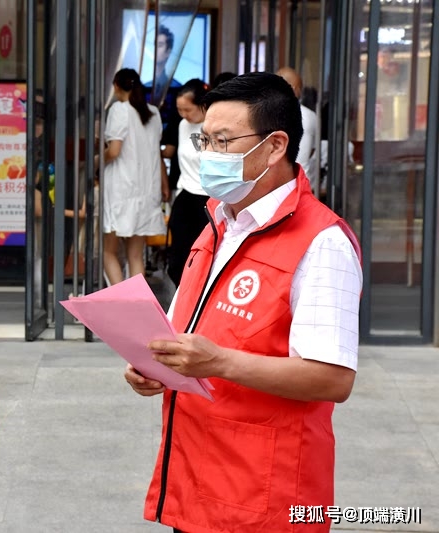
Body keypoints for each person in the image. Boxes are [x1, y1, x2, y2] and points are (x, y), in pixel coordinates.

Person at [125, 72, 362, 532]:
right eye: (204, 140)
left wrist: (218, 362)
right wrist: (153, 365)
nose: (208, 154)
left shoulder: (321, 242)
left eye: (223, 141)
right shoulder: (219, 221)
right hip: (195, 479)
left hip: (265, 496)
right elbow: (187, 330)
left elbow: (332, 378)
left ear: (275, 146)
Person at [103, 68, 168, 285]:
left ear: (116, 86)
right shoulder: (153, 113)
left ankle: (121, 304)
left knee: (108, 252)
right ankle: (137, 305)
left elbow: (113, 151)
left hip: (120, 190)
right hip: (146, 191)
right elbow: (156, 153)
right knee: (135, 256)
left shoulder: (119, 110)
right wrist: (164, 184)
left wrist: (96, 160)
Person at [165, 78, 211, 287]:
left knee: (203, 259)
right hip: (186, 193)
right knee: (177, 262)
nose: (183, 114)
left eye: (187, 109)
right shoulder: (183, 125)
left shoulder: (214, 127)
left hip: (209, 197)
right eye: (179, 109)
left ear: (202, 105)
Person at [277, 67, 319, 195]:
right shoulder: (307, 116)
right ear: (295, 89)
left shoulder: (260, 114)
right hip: (298, 188)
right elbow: (309, 153)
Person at [147, 25, 182, 104]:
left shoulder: (177, 87)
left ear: (168, 51)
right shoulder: (145, 86)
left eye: (160, 45)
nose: (156, 49)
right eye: (155, 45)